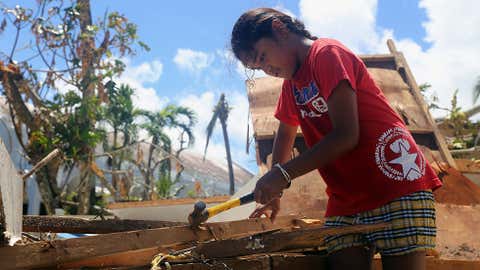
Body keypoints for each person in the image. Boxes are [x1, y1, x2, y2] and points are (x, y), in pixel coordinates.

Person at [230, 7, 442, 270]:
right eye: (258, 67)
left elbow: (346, 135)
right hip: (346, 198)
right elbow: (285, 133)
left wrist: (282, 175)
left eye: (263, 57)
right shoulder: (291, 86)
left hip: (395, 182)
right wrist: (275, 191)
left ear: (280, 29)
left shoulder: (327, 54)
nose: (267, 69)